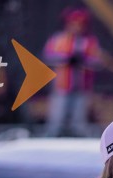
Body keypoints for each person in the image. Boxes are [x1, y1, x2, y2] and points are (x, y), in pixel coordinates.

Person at [43, 7, 102, 137]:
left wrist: (83, 61)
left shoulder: (89, 41)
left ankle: (79, 143)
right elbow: (48, 57)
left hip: (82, 85)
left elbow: (96, 61)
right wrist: (66, 59)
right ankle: (50, 140)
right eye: (73, 23)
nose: (76, 27)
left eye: (80, 24)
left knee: (79, 119)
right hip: (62, 85)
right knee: (56, 117)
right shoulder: (58, 39)